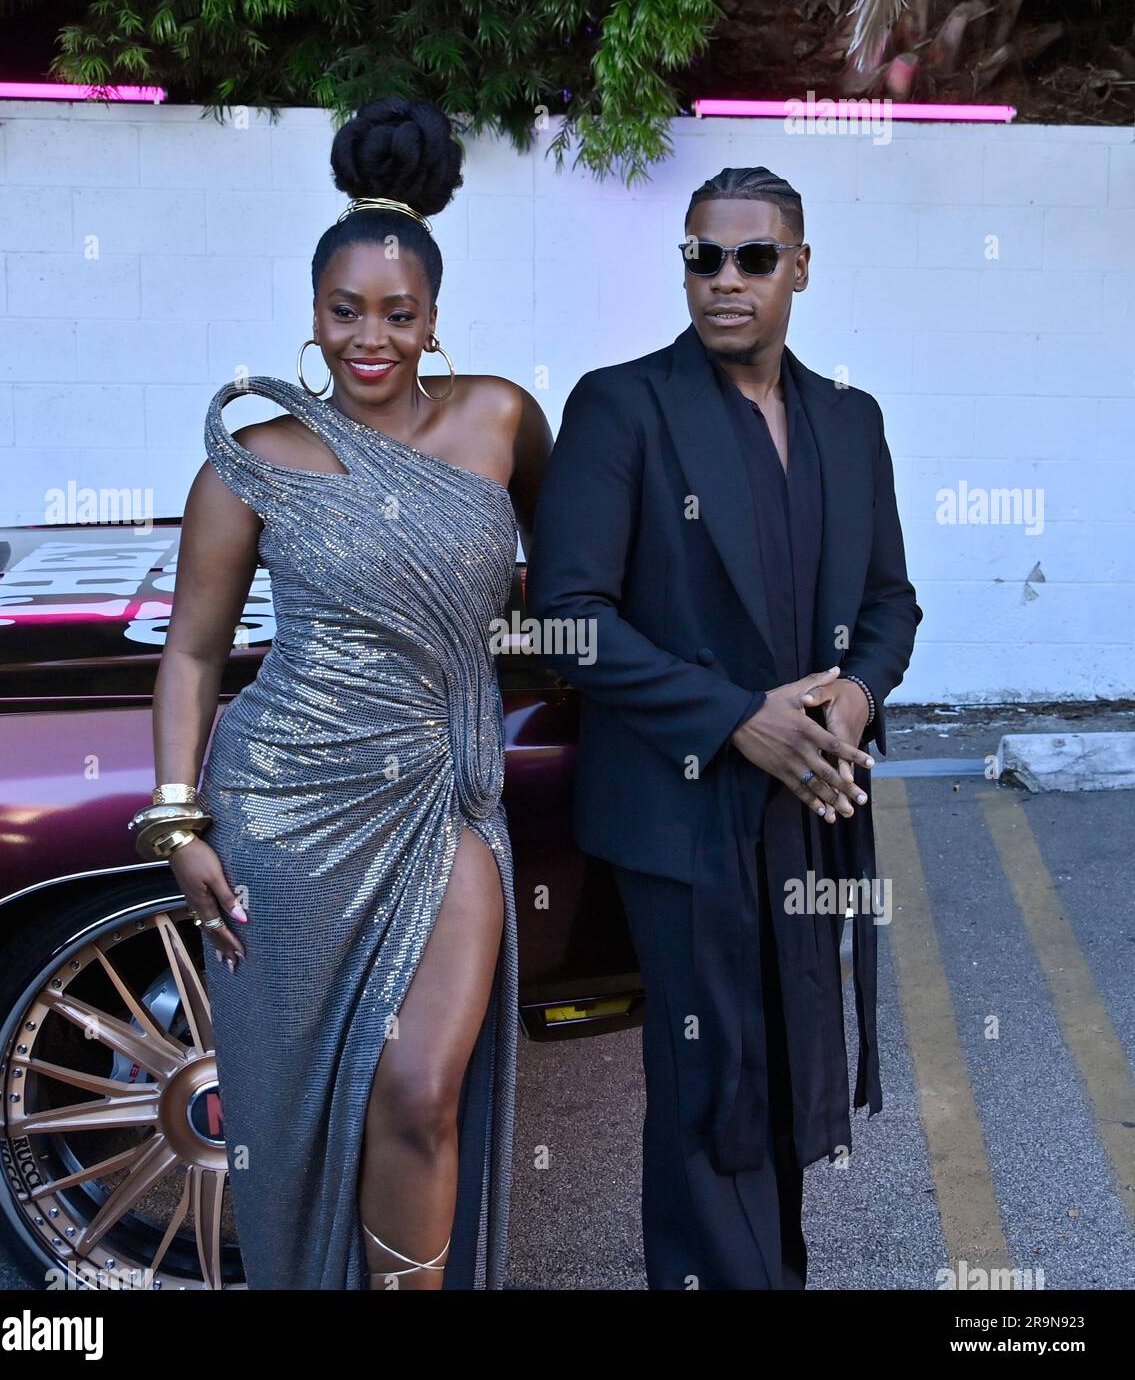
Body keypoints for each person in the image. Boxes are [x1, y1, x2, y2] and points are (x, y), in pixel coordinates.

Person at [135, 97, 551, 1290]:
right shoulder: (254, 458)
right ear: (313, 318)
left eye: (398, 315)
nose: (371, 338)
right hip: (282, 801)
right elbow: (194, 655)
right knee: (306, 1090)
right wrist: (178, 816)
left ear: (432, 319)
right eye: (345, 313)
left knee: (419, 1087)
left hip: (439, 788)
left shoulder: (502, 421)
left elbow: (577, 574)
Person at [527, 166, 922, 1290]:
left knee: (786, 1064)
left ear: (800, 267)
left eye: (753, 257)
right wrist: (736, 719)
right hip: (679, 810)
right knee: (711, 1079)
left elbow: (890, 603)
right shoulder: (623, 405)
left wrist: (851, 697)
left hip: (810, 809)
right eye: (702, 255)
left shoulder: (851, 422)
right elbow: (565, 619)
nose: (725, 280)